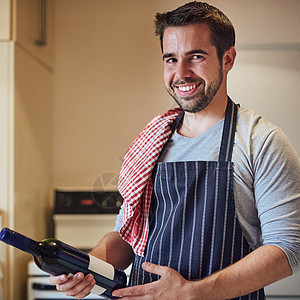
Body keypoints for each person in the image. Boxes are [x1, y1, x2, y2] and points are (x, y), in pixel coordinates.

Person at [49, 1, 300, 299]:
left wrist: (193, 292)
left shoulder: (260, 140)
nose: (181, 73)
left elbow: (288, 249)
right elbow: (129, 235)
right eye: (171, 59)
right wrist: (90, 267)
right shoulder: (152, 141)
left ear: (228, 58)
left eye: (196, 56)